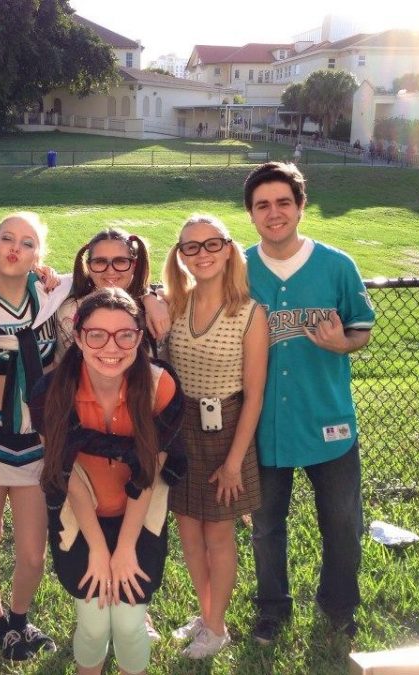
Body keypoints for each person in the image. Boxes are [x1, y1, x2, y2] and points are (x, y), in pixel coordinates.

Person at [242, 162, 375, 644]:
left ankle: (339, 605)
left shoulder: (337, 264)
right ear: (251, 214)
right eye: (262, 205)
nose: (274, 213)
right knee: (265, 526)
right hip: (263, 423)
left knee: (341, 522)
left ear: (301, 206)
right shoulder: (239, 267)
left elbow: (361, 329)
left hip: (327, 418)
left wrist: (343, 344)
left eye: (283, 202)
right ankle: (272, 610)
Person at [29, 288, 186, 675]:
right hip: (80, 514)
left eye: (125, 334)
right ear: (79, 337)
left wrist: (126, 547)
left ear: (140, 336)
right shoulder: (50, 392)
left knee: (131, 624)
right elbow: (70, 476)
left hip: (140, 511)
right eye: (97, 334)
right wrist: (99, 549)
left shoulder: (160, 385)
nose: (111, 346)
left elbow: (147, 471)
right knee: (95, 621)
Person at [0, 212, 71, 661]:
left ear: (37, 256)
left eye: (27, 243)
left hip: (37, 437)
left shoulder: (51, 294)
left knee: (31, 553)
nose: (15, 247)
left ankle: (21, 617)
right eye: (6, 238)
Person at [162, 214, 268, 658]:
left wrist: (233, 461)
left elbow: (255, 396)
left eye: (211, 244)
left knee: (218, 534)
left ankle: (217, 626)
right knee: (188, 528)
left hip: (228, 429)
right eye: (191, 246)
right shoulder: (173, 303)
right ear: (180, 255)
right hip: (180, 427)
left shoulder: (250, 312)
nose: (201, 254)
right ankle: (206, 614)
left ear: (228, 250)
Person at [56, 228, 170, 362]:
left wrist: (149, 297)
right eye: (100, 262)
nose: (110, 271)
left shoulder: (155, 310)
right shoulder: (71, 311)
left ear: (134, 264)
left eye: (120, 261)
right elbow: (66, 366)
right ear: (88, 266)